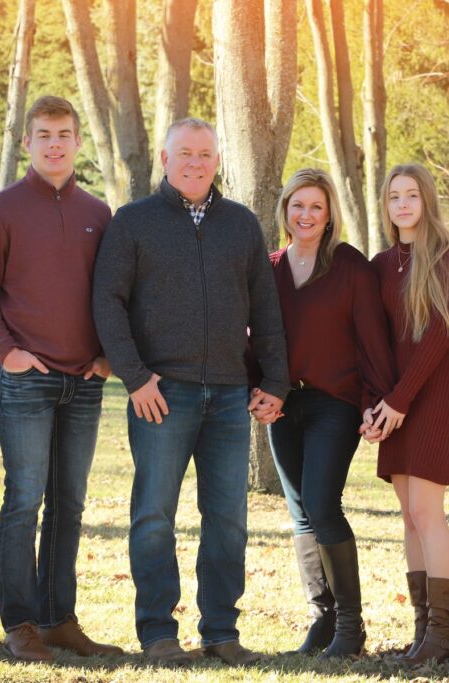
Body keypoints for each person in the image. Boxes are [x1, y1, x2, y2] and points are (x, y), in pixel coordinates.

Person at [92, 118, 290, 666]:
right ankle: (158, 632)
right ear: (165, 158)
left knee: (227, 519)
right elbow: (107, 301)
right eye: (185, 153)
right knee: (154, 515)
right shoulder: (134, 221)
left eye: (205, 153)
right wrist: (135, 377)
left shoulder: (241, 224)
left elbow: (266, 310)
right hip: (161, 393)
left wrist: (275, 381)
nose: (196, 162)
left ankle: (221, 632)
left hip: (228, 395)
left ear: (217, 161)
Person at [0, 95, 121, 662]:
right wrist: (6, 352)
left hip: (84, 382)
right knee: (24, 500)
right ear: (27, 142)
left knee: (69, 504)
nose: (55, 144)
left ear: (78, 142)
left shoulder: (99, 213)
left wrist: (106, 357)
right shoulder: (1, 210)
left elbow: (112, 294)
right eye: (44, 135)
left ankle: (58, 620)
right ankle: (22, 624)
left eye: (64, 134)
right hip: (26, 379)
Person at [263, 169, 396, 658]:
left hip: (334, 403)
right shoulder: (271, 268)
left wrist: (375, 401)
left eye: (316, 206)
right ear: (285, 210)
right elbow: (257, 337)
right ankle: (323, 620)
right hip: (284, 405)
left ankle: (351, 628)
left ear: (329, 214)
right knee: (300, 512)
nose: (306, 214)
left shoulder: (350, 266)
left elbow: (371, 340)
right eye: (298, 205)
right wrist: (260, 388)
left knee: (322, 505)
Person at [363, 163, 449, 665]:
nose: (402, 204)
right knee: (408, 516)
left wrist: (400, 401)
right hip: (394, 401)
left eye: (411, 195)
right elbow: (374, 342)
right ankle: (423, 630)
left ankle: (444, 635)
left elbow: (439, 337)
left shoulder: (447, 256)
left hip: (436, 395)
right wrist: (374, 404)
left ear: (426, 200)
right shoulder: (380, 264)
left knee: (427, 512)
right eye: (394, 197)